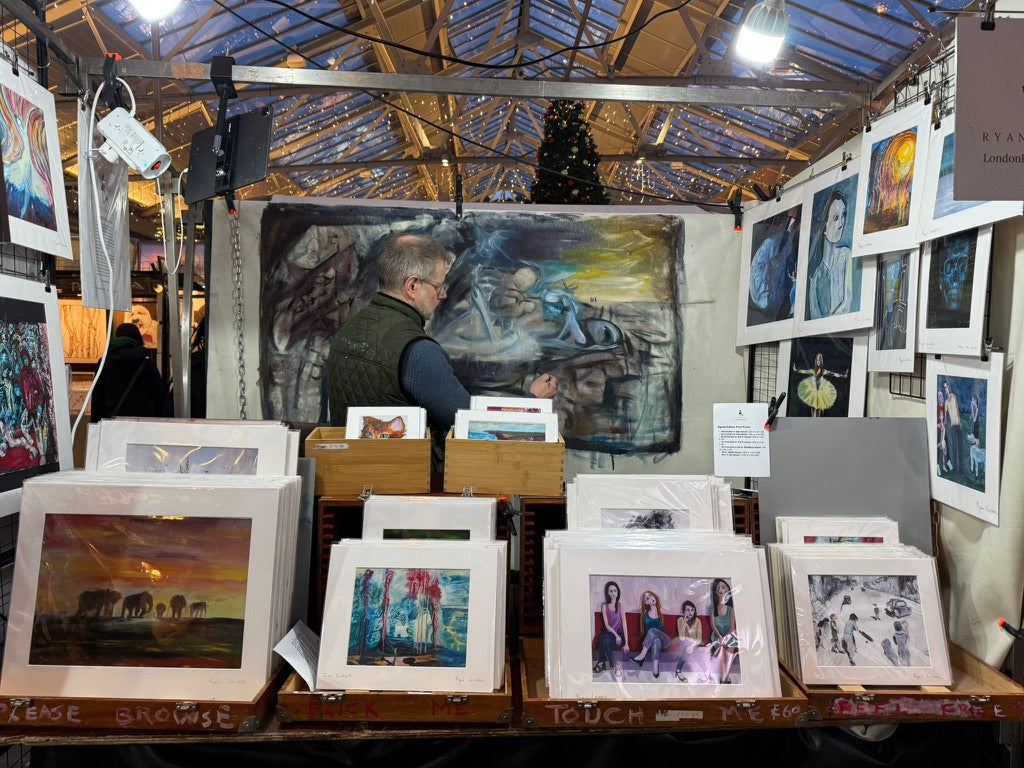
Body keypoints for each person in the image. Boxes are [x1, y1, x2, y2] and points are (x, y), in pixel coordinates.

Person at [327, 234, 558, 471]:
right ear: (413, 286)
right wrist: (533, 402)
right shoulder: (418, 352)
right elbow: (473, 426)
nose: (443, 294)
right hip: (401, 490)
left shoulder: (348, 332)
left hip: (351, 478)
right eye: (438, 286)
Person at [90, 323, 167, 421]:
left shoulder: (104, 363)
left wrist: (95, 424)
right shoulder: (146, 363)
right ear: (138, 339)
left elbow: (97, 398)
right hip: (142, 422)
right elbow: (158, 397)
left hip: (112, 423)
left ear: (116, 338)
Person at [806, 187, 854, 318]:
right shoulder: (815, 273)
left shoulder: (846, 255)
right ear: (824, 227)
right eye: (835, 218)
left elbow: (847, 302)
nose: (841, 223)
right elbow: (815, 316)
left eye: (843, 215)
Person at [629, 589, 671, 678]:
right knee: (656, 640)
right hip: (654, 642)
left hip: (665, 640)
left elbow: (673, 613)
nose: (650, 598)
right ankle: (655, 667)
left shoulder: (661, 610)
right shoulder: (644, 613)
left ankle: (642, 655)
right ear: (646, 603)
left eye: (651, 595)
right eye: (647, 598)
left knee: (652, 630)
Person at [793, 351, 848, 417]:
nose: (818, 362)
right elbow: (805, 371)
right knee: (813, 408)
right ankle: (812, 421)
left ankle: (817, 421)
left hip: (820, 392)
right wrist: (796, 370)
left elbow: (834, 374)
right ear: (816, 361)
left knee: (818, 409)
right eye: (817, 360)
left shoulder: (823, 371)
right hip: (813, 391)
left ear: (821, 362)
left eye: (820, 360)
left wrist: (843, 376)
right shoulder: (813, 371)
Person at [594, 581, 627, 678]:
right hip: (610, 634)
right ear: (608, 593)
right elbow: (607, 625)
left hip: (620, 635)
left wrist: (627, 643)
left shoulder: (621, 605)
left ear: (617, 592)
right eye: (611, 591)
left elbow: (624, 624)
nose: (613, 593)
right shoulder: (604, 606)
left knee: (602, 638)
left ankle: (601, 663)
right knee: (604, 638)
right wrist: (616, 636)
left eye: (615, 591)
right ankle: (615, 665)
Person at [709, 578, 738, 683]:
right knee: (721, 650)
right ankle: (722, 676)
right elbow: (713, 626)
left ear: (727, 590)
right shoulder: (713, 609)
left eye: (723, 587)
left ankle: (727, 675)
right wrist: (720, 637)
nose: (720, 589)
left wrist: (727, 637)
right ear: (716, 591)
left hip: (730, 635)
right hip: (717, 635)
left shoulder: (731, 609)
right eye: (718, 587)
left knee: (730, 650)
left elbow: (732, 627)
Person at [674, 599, 703, 682]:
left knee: (690, 649)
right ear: (684, 611)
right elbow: (681, 637)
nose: (690, 613)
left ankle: (678, 670)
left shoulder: (698, 620)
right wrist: (684, 623)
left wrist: (691, 645)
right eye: (688, 610)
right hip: (683, 643)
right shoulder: (680, 620)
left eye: (692, 610)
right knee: (688, 646)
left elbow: (699, 639)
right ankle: (705, 671)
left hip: (695, 643)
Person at [943, 380, 963, 475]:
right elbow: (944, 415)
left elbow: (958, 410)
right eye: (944, 387)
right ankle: (956, 469)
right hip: (952, 427)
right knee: (954, 448)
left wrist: (960, 423)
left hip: (958, 425)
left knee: (960, 448)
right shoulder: (946, 402)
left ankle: (961, 469)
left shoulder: (954, 396)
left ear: (949, 387)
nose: (946, 389)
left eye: (946, 387)